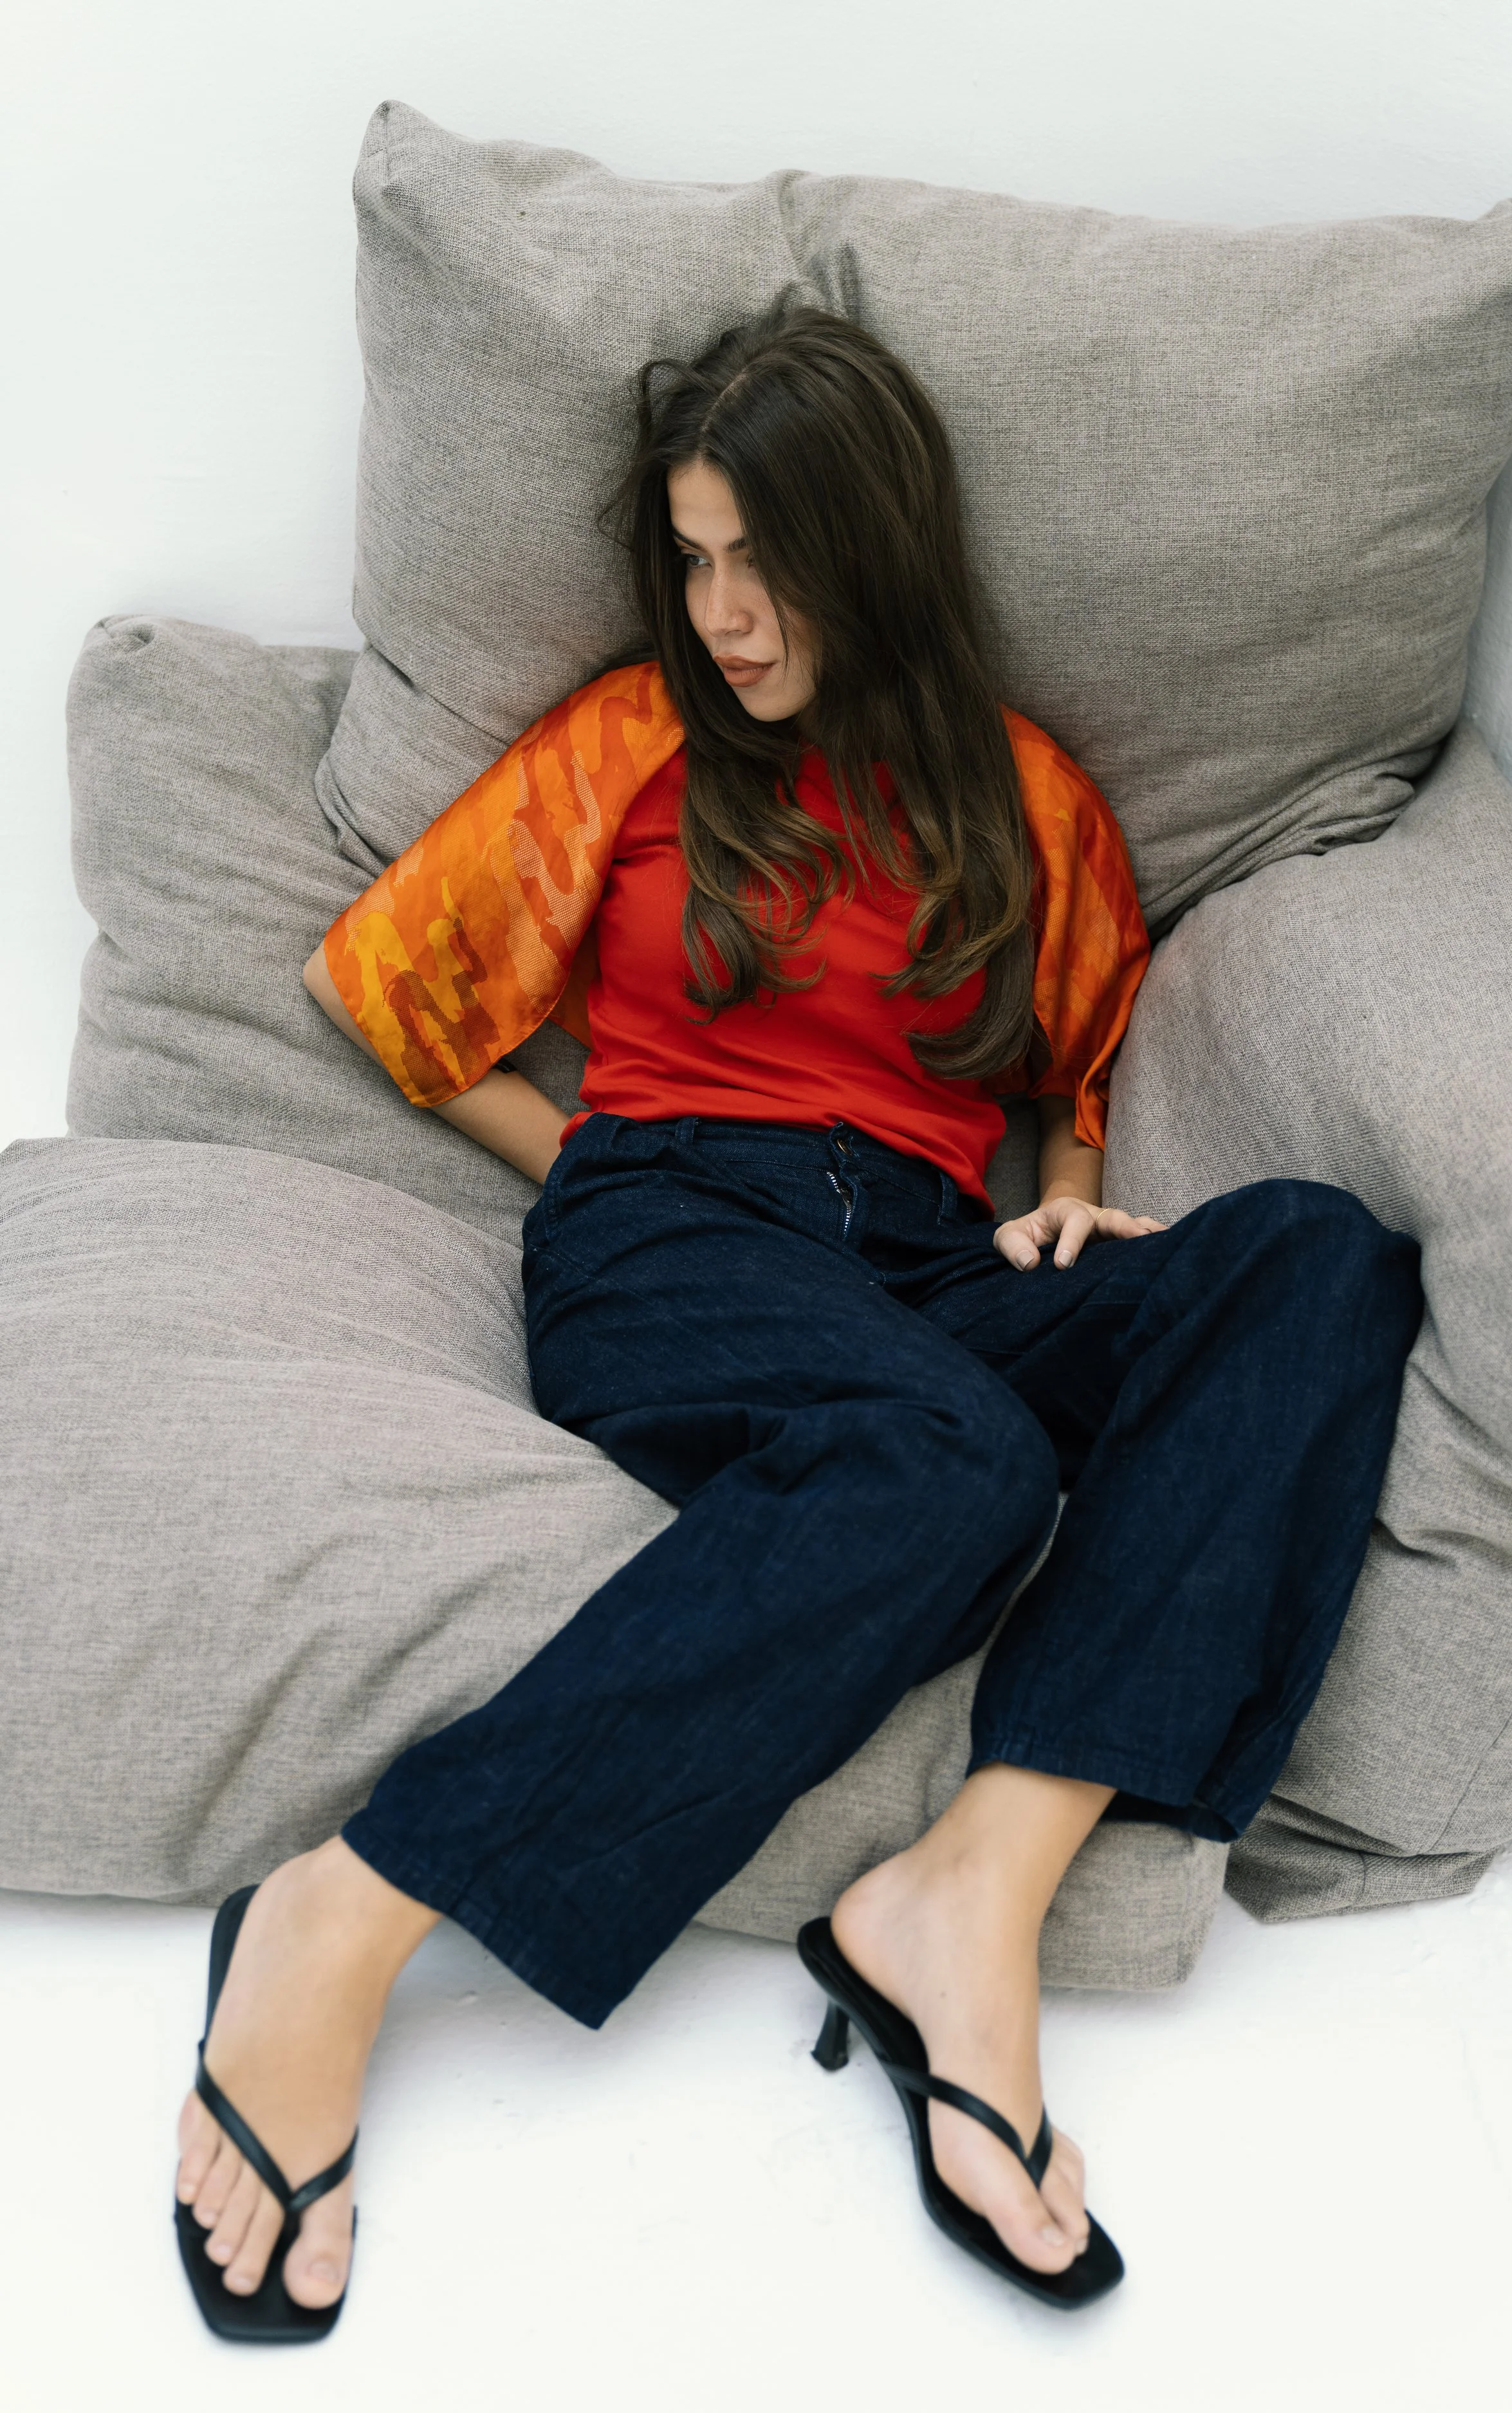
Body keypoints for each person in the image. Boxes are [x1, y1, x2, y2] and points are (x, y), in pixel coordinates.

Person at [172, 304, 1422, 2339]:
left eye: (762, 561)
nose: (723, 616)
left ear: (876, 547)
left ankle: (969, 1892)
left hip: (929, 1263)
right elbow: (382, 983)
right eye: (690, 560)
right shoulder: (635, 740)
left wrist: (1066, 1194)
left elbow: (1080, 1062)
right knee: (957, 1460)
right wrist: (588, 1163)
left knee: (1317, 1257)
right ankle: (355, 1899)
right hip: (670, 1227)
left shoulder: (1031, 799)